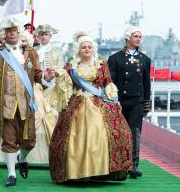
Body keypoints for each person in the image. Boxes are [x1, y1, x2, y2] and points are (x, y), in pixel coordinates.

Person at [0, 18, 54, 187]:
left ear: (18, 33)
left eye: (14, 31)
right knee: (9, 140)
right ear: (3, 35)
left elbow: (37, 75)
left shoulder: (31, 52)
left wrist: (46, 78)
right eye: (8, 31)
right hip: (5, 104)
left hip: (27, 104)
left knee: (29, 141)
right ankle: (12, 173)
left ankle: (22, 158)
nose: (12, 33)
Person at [49, 30, 132, 183]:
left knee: (101, 134)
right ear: (78, 50)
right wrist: (57, 74)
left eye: (89, 47)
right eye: (83, 47)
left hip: (98, 103)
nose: (87, 49)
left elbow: (108, 82)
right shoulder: (71, 66)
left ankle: (99, 171)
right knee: (74, 136)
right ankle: (76, 172)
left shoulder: (101, 65)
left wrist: (111, 94)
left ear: (93, 49)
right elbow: (64, 80)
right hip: (77, 103)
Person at [108, 26, 151, 179]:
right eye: (135, 36)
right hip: (119, 101)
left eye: (140, 36)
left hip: (136, 102)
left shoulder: (145, 60)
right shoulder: (115, 59)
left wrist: (146, 103)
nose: (138, 39)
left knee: (135, 133)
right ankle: (116, 164)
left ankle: (133, 165)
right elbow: (110, 81)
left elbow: (146, 83)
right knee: (117, 133)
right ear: (128, 38)